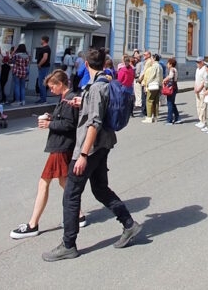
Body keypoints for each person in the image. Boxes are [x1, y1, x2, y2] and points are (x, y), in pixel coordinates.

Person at [43, 49, 142, 262]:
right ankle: (129, 224)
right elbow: (98, 109)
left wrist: (83, 155)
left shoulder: (97, 87)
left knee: (71, 194)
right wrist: (82, 103)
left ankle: (69, 244)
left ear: (87, 64)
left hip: (92, 147)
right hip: (104, 144)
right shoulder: (102, 83)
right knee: (100, 189)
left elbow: (94, 122)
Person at [10, 70, 85, 239]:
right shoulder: (67, 98)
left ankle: (33, 224)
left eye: (53, 87)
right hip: (62, 145)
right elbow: (67, 122)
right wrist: (53, 118)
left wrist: (49, 123)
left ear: (60, 84)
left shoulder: (69, 100)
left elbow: (69, 125)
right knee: (64, 181)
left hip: (60, 146)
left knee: (44, 183)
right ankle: (78, 215)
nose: (51, 90)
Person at [140, 53, 162, 123]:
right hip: (158, 85)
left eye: (152, 58)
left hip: (152, 85)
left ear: (154, 59)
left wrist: (147, 84)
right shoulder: (160, 66)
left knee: (149, 100)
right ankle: (155, 117)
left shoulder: (154, 66)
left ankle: (149, 117)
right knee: (156, 102)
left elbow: (151, 76)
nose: (151, 60)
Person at [35, 36, 52, 103]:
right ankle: (42, 98)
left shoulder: (46, 48)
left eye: (41, 40)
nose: (40, 41)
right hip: (44, 67)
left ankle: (43, 99)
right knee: (41, 83)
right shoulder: (46, 48)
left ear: (44, 40)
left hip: (43, 67)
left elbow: (45, 58)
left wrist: (39, 64)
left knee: (41, 83)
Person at [194, 56, 208, 128]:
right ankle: (200, 120)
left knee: (203, 106)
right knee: (198, 105)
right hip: (197, 90)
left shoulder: (204, 69)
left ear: (202, 62)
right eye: (196, 62)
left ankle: (203, 121)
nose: (197, 63)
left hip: (202, 90)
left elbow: (204, 81)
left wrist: (199, 88)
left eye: (198, 62)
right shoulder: (197, 69)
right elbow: (196, 80)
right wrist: (195, 87)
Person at [164, 57, 179, 124]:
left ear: (170, 64)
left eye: (168, 63)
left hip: (171, 88)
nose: (167, 65)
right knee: (172, 103)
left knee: (169, 103)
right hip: (174, 87)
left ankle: (169, 120)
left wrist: (164, 80)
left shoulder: (172, 70)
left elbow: (170, 76)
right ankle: (177, 117)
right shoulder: (175, 69)